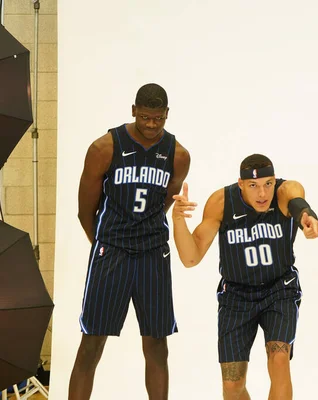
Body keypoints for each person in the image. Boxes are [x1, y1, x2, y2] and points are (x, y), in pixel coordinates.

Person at [68, 83, 191, 400]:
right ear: (134, 110)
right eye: (146, 117)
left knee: (157, 344)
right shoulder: (104, 148)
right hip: (113, 252)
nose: (152, 125)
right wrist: (106, 244)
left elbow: (163, 201)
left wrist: (144, 231)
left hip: (153, 253)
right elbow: (85, 211)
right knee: (92, 342)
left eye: (158, 119)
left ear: (167, 115)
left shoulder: (178, 155)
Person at [171, 154, 318, 400]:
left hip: (279, 289)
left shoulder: (285, 191)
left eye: (267, 184)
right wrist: (178, 219)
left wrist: (307, 215)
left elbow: (297, 202)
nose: (262, 193)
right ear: (240, 184)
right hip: (236, 296)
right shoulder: (222, 202)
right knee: (232, 385)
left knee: (280, 359)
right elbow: (191, 258)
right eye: (253, 186)